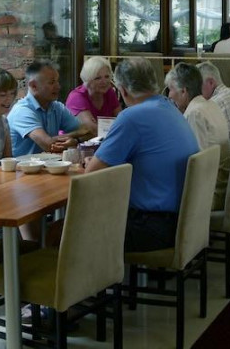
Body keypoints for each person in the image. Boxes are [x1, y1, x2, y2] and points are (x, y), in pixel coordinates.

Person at [85, 57, 199, 252]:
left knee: (68, 231)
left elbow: (91, 174)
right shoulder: (170, 107)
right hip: (184, 220)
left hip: (151, 226)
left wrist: (91, 162)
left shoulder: (131, 117)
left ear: (122, 90)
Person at [166, 62, 230, 210]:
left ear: (183, 91)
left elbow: (197, 163)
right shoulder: (210, 105)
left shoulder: (195, 113)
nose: (169, 95)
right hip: (222, 186)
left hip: (210, 195)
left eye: (171, 89)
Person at [8, 60, 91, 157]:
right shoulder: (22, 111)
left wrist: (76, 140)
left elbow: (89, 132)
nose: (58, 86)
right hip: (22, 165)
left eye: (57, 81)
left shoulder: (57, 107)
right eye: (52, 82)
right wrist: (75, 135)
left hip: (50, 163)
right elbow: (48, 145)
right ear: (33, 86)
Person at [65, 56, 121, 136]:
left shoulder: (109, 92)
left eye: (107, 76)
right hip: (73, 141)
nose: (104, 82)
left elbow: (121, 119)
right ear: (88, 79)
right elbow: (92, 129)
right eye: (98, 78)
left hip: (102, 139)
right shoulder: (76, 97)